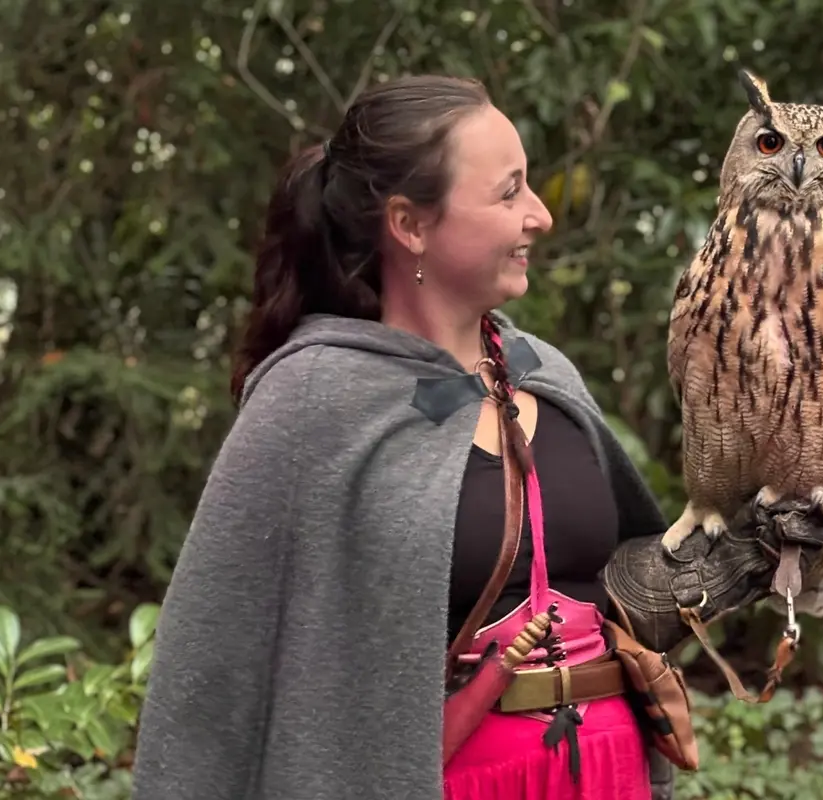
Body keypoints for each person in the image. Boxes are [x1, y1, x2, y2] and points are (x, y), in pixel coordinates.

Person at [131, 74, 678, 800]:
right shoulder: (315, 398)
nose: (540, 215)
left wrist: (745, 548)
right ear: (410, 225)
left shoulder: (545, 373)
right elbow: (214, 658)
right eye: (508, 193)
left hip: (604, 773)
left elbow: (631, 590)